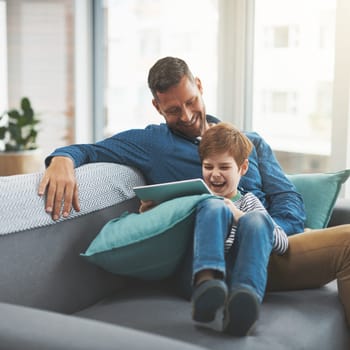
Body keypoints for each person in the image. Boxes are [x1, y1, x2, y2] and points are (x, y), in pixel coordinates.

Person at [38, 56, 350, 331]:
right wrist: (62, 160)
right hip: (215, 250)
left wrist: (272, 230)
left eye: (190, 101)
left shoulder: (249, 142)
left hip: (268, 243)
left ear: (199, 86)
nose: (186, 116)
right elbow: (88, 150)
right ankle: (211, 286)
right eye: (172, 110)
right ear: (157, 107)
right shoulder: (154, 145)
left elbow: (288, 199)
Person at [191, 122, 288, 335]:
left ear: (242, 168)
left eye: (224, 167)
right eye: (208, 167)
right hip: (199, 270)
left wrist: (239, 216)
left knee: (256, 220)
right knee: (213, 206)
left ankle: (244, 301)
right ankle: (206, 285)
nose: (215, 174)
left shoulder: (248, 201)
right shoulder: (196, 197)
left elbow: (282, 242)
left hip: (237, 273)